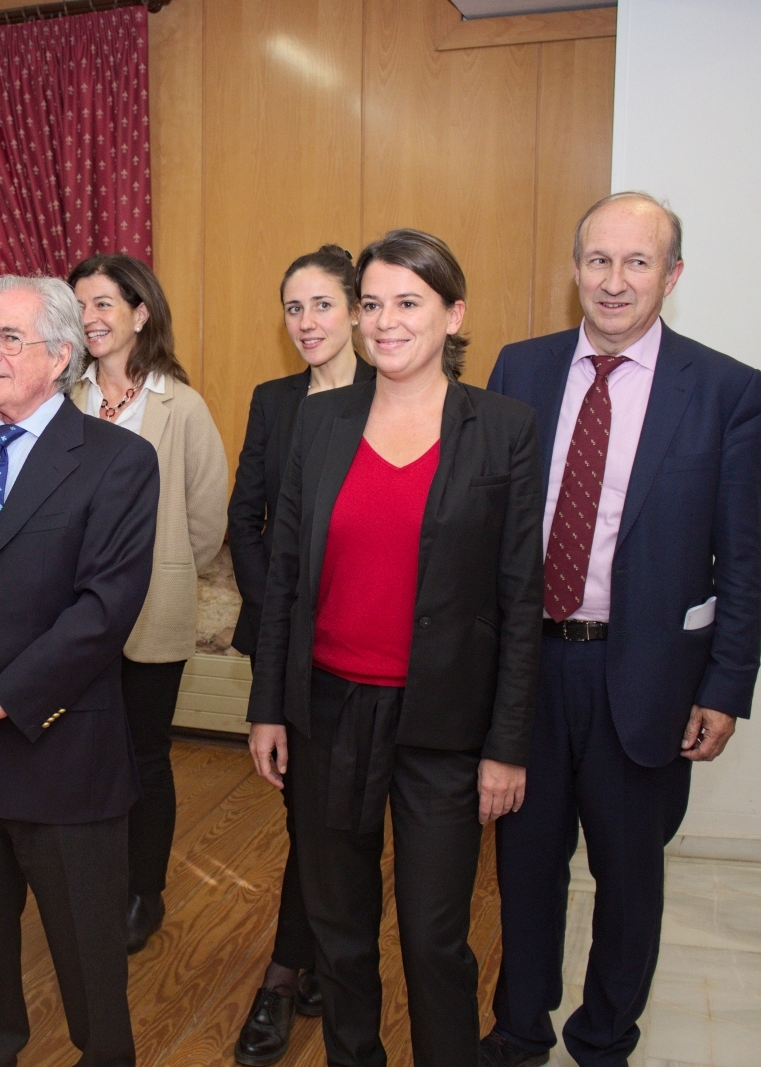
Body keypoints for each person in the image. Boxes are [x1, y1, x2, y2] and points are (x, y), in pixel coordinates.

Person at [481, 193, 761, 1067]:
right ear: (575, 269)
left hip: (648, 678)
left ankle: (605, 1039)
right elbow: (485, 527)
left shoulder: (724, 390)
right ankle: (520, 1029)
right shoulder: (518, 370)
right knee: (525, 876)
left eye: (637, 262)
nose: (614, 281)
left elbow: (742, 557)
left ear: (671, 276)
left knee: (629, 880)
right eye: (598, 260)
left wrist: (725, 686)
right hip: (531, 673)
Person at [246, 230, 544, 1067]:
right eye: (371, 303)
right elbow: (288, 581)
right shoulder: (318, 419)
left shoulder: (504, 428)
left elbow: (521, 600)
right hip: (329, 714)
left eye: (407, 302)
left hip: (444, 728)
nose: (385, 322)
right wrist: (269, 705)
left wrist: (507, 747)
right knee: (339, 933)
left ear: (453, 314)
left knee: (433, 938)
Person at [0, 275, 160, 1067]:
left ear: (62, 355)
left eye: (10, 338)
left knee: (86, 959)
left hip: (61, 751)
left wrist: (3, 698)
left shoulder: (119, 460)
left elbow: (103, 610)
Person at [225, 244, 375, 1066]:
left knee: (337, 821)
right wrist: (277, 602)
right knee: (306, 816)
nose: (307, 322)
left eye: (321, 305)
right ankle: (296, 967)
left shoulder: (392, 393)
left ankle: (294, 968)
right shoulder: (274, 401)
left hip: (367, 648)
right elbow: (246, 516)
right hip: (286, 644)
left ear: (356, 309)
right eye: (293, 308)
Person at [66, 252, 228, 954]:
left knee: (143, 754)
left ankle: (144, 890)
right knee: (79, 752)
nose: (90, 318)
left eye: (104, 303)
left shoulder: (180, 405)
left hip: (151, 610)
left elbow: (205, 519)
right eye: (79, 306)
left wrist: (156, 570)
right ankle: (87, 882)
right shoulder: (61, 396)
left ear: (140, 313)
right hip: (69, 613)